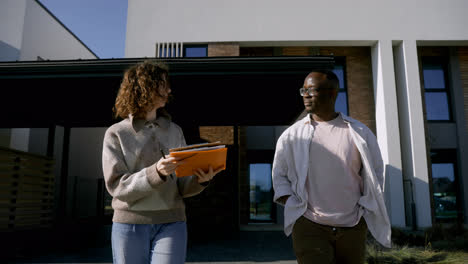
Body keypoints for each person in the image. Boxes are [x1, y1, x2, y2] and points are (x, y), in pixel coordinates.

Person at [102, 60, 222, 264]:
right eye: (162, 83)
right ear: (144, 87)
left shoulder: (175, 131)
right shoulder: (116, 133)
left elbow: (182, 186)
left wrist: (200, 180)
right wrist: (155, 172)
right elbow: (117, 186)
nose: (169, 89)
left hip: (172, 222)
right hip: (129, 223)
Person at [272, 70, 391, 264]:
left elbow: (376, 172)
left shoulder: (360, 132)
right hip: (309, 224)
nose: (306, 95)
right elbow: (279, 173)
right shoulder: (292, 135)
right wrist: (294, 204)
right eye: (303, 90)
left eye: (312, 90)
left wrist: (364, 207)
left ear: (333, 93)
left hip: (352, 225)